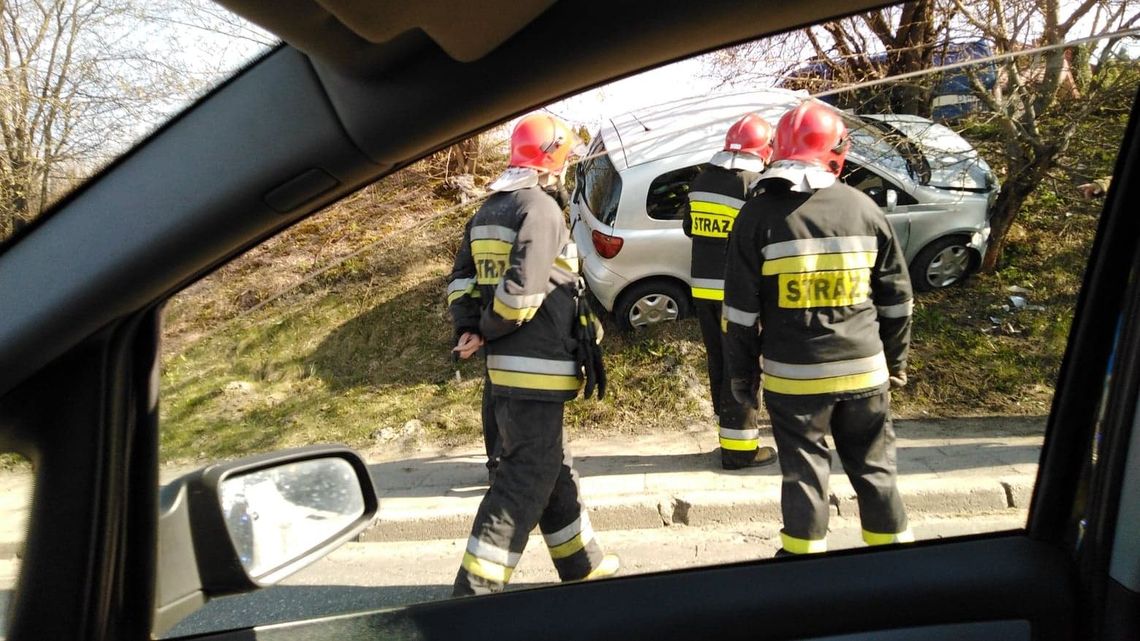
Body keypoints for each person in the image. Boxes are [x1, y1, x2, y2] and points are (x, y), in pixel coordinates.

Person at [723, 101, 914, 555]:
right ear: (836, 151)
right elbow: (898, 303)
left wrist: (742, 379)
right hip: (866, 372)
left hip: (795, 377)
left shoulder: (756, 218)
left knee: (804, 472)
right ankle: (896, 562)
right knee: (875, 468)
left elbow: (741, 316)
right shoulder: (865, 209)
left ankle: (802, 563)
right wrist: (896, 363)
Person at [445, 113, 619, 595]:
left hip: (508, 370)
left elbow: (462, 280)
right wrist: (486, 328)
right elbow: (522, 295)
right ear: (554, 162)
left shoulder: (486, 212)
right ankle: (475, 590)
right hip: (536, 367)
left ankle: (582, 565)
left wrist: (469, 327)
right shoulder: (540, 210)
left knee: (552, 465)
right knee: (525, 476)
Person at [681, 113, 778, 470]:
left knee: (718, 362)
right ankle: (739, 451)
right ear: (763, 149)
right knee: (742, 368)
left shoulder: (701, 180)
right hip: (735, 294)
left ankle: (726, 431)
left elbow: (691, 227)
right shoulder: (755, 185)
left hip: (701, 290)